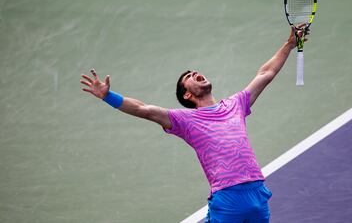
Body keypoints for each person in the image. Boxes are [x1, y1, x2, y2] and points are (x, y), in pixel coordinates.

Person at [80, 26, 308, 222]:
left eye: (195, 72)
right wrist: (107, 96)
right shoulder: (184, 120)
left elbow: (266, 73)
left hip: (258, 193)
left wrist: (289, 44)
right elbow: (144, 109)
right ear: (187, 95)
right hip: (227, 197)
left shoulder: (236, 104)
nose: (196, 73)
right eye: (189, 77)